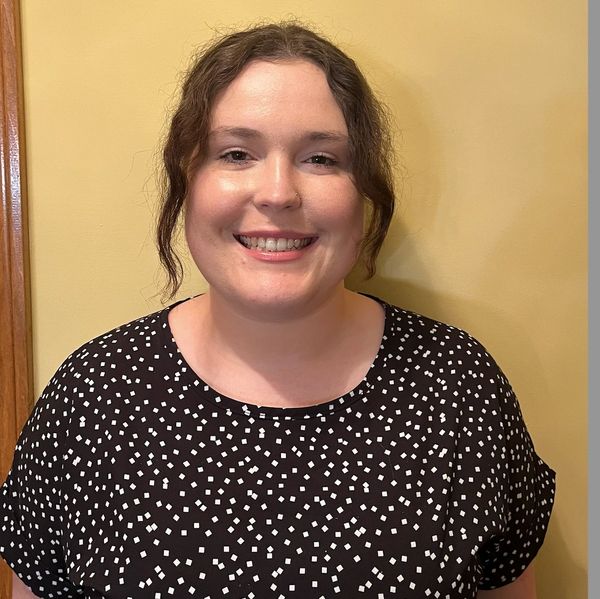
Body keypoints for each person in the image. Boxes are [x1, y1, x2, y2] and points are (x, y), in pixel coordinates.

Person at [1, 22, 554, 599]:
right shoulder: (93, 397)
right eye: (236, 154)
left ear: (363, 189)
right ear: (187, 179)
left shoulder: (459, 387)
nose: (277, 193)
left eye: (320, 158)